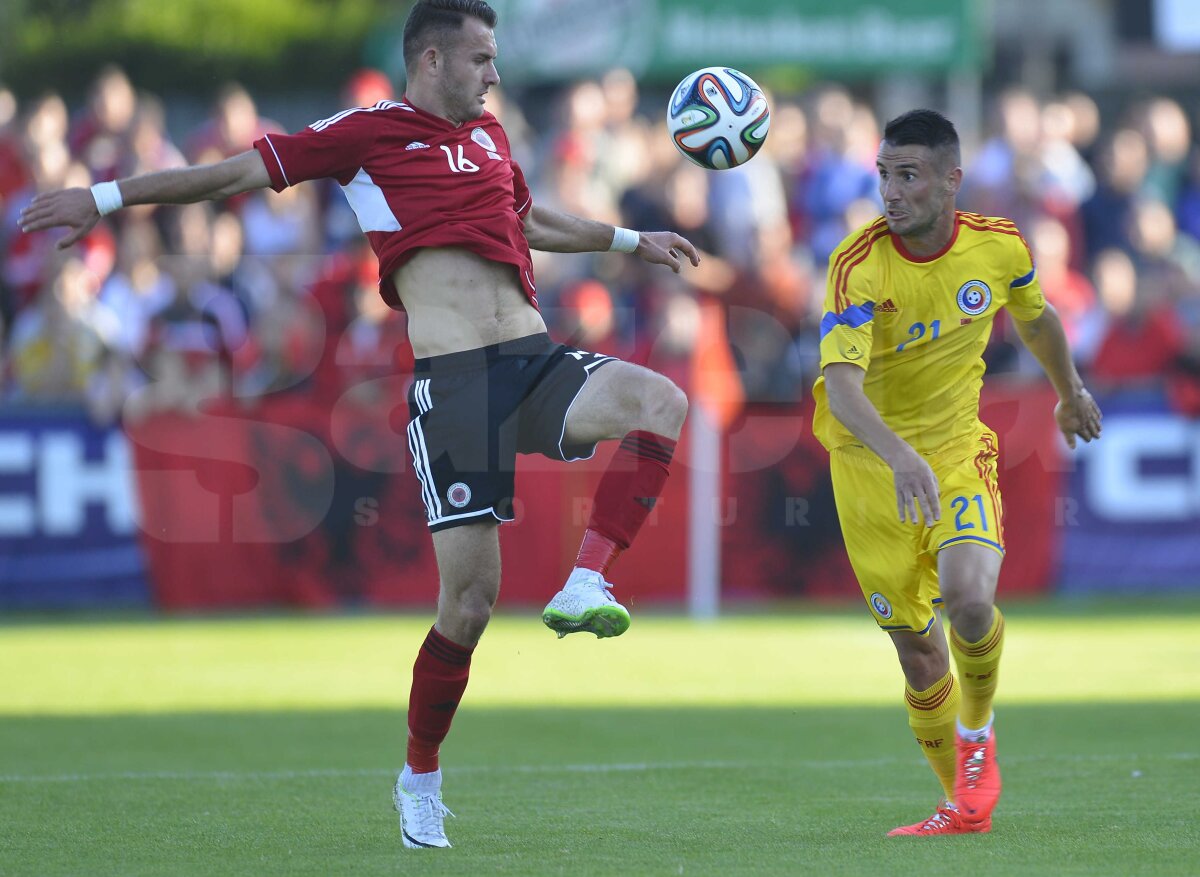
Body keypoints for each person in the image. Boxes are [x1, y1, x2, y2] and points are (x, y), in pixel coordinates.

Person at [20, 0, 698, 851]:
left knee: (661, 401)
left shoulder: (490, 139)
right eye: (481, 58)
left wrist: (634, 240)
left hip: (532, 360)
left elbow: (530, 221)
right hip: (454, 388)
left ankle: (586, 580)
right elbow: (232, 174)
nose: (495, 74)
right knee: (470, 603)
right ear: (432, 60)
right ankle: (419, 775)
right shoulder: (366, 132)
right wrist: (106, 194)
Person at [811, 109, 1102, 836]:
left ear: (950, 181)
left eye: (907, 175)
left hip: (954, 450)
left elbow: (1036, 319)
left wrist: (1070, 392)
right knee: (916, 648)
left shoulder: (998, 247)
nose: (891, 191)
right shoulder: (856, 262)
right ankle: (962, 804)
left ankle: (977, 733)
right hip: (869, 464)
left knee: (970, 599)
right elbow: (842, 388)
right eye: (883, 174)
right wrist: (897, 455)